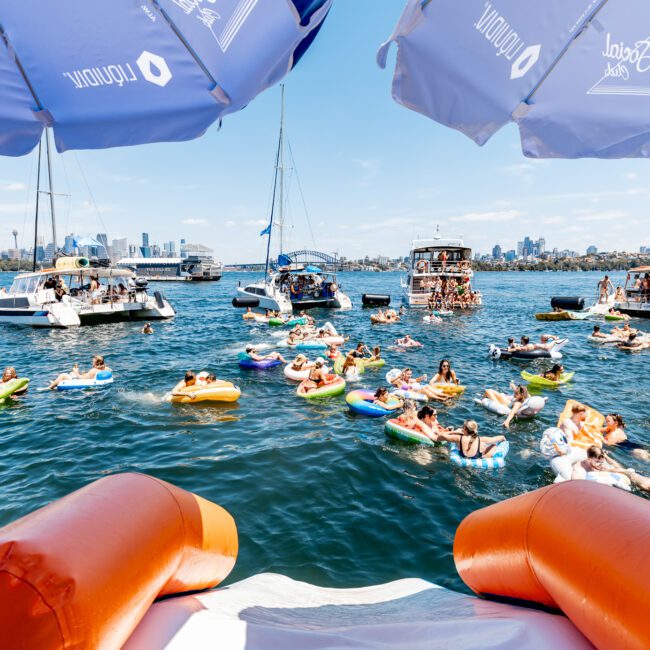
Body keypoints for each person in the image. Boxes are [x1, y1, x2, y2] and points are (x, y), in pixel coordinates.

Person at [437, 420, 506, 459]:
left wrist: (455, 431)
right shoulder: (480, 439)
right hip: (477, 459)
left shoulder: (458, 438)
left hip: (463, 458)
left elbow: (441, 436)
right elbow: (495, 438)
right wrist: (503, 438)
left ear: (464, 429)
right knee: (493, 445)